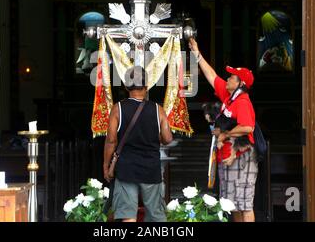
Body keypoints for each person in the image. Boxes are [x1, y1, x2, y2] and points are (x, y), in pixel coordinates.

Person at [189, 38, 258, 223]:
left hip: (240, 157)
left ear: (240, 84)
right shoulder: (229, 96)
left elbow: (248, 127)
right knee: (232, 204)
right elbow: (212, 76)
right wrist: (197, 54)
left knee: (244, 205)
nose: (227, 78)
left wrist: (226, 134)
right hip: (226, 157)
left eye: (231, 77)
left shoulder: (242, 102)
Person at [103, 66, 173, 222]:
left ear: (126, 86)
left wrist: (106, 165)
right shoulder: (158, 110)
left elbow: (111, 141)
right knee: (155, 216)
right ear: (146, 87)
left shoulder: (118, 109)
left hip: (126, 169)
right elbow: (168, 139)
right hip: (151, 168)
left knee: (127, 215)